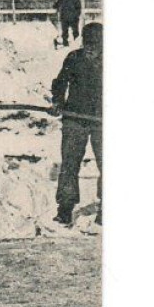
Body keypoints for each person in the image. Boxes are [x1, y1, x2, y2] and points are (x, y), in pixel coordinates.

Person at [51, 21, 103, 226]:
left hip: (102, 122)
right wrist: (57, 101)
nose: (91, 48)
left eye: (96, 44)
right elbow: (60, 82)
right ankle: (65, 208)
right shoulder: (74, 58)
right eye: (88, 43)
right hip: (74, 119)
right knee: (69, 164)